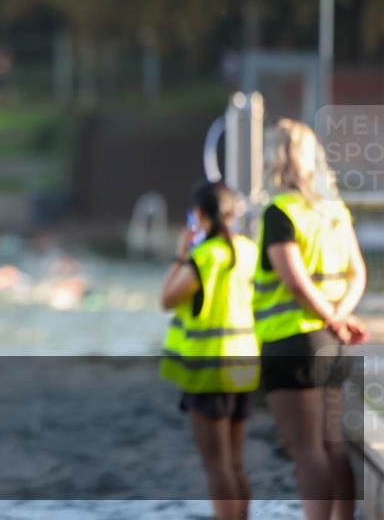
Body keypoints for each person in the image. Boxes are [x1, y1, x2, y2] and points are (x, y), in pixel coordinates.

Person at [253, 119, 367, 520]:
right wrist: (339, 317)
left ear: (276, 158)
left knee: (306, 451)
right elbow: (358, 274)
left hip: (293, 342)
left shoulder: (279, 211)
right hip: (333, 345)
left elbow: (296, 283)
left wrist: (327, 317)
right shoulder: (334, 210)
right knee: (333, 445)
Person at [159, 181, 258, 520]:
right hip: (244, 367)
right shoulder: (249, 251)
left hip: (208, 371)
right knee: (235, 463)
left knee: (217, 467)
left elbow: (167, 299)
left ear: (198, 215)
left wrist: (179, 254)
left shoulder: (205, 256)